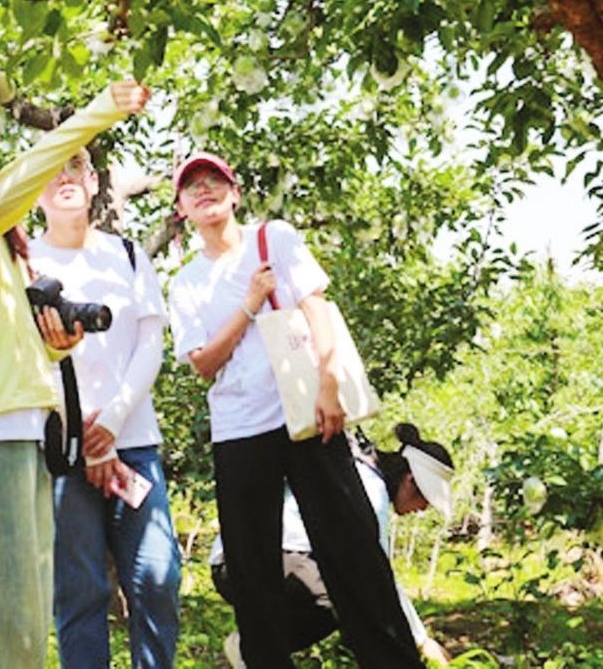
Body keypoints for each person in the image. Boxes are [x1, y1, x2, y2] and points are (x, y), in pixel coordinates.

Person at [0, 68, 150, 669]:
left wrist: (59, 343)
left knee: (19, 619)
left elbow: (6, 330)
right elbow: (8, 190)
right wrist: (95, 115)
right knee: (0, 623)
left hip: (18, 425)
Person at [166, 151, 426, 669]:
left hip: (308, 417)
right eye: (191, 188)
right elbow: (203, 364)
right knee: (253, 568)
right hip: (239, 430)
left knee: (353, 550)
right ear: (181, 210)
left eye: (214, 181)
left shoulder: (275, 239)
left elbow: (316, 307)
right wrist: (248, 302)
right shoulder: (186, 283)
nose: (204, 191)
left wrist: (329, 383)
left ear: (234, 193)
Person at [29, 151, 181, 669]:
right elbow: (26, 359)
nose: (64, 181)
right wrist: (83, 434)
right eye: (51, 172)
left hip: (133, 442)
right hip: (62, 451)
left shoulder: (131, 254)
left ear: (94, 182)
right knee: (80, 592)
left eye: (75, 170)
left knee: (158, 579)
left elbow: (150, 347)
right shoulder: (22, 262)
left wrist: (110, 426)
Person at [210, 424, 456, 666]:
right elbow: (380, 583)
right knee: (345, 593)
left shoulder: (360, 472)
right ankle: (250, 647)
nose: (423, 509)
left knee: (345, 589)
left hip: (245, 559)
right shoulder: (371, 492)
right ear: (410, 480)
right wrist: (422, 642)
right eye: (424, 499)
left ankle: (255, 646)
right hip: (249, 561)